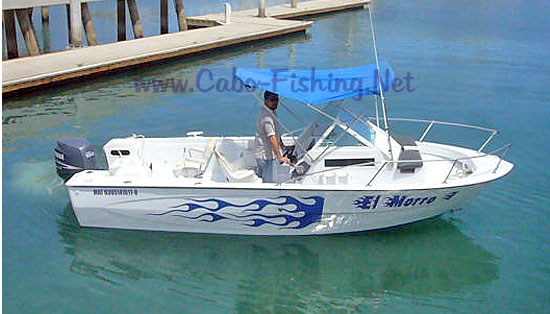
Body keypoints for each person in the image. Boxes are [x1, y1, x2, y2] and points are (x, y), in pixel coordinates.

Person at [254, 91, 291, 183]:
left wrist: (283, 147)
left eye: (276, 99)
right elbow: (272, 138)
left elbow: (276, 134)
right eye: (272, 100)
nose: (275, 102)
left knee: (263, 176)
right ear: (265, 100)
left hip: (264, 154)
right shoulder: (267, 117)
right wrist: (280, 157)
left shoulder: (271, 112)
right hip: (265, 156)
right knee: (268, 182)